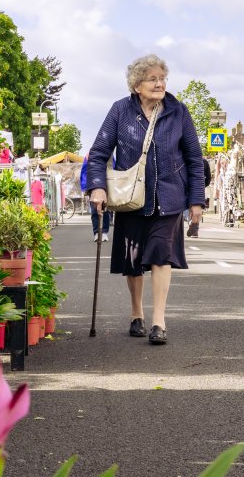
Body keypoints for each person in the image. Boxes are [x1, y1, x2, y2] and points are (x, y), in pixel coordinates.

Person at [86, 54, 205, 345]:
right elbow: (99, 153)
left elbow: (194, 158)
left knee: (162, 255)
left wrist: (196, 201)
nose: (159, 84)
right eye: (152, 79)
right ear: (137, 85)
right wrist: (97, 188)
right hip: (131, 199)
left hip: (169, 198)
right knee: (133, 259)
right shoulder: (120, 110)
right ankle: (136, 312)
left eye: (162, 78)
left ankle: (158, 321)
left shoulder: (178, 112)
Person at [81, 155, 112, 241]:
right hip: (93, 186)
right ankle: (97, 232)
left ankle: (104, 232)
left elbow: (114, 167)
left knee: (105, 210)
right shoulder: (88, 156)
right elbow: (84, 171)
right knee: (95, 210)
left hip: (107, 185)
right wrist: (85, 187)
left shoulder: (110, 155)